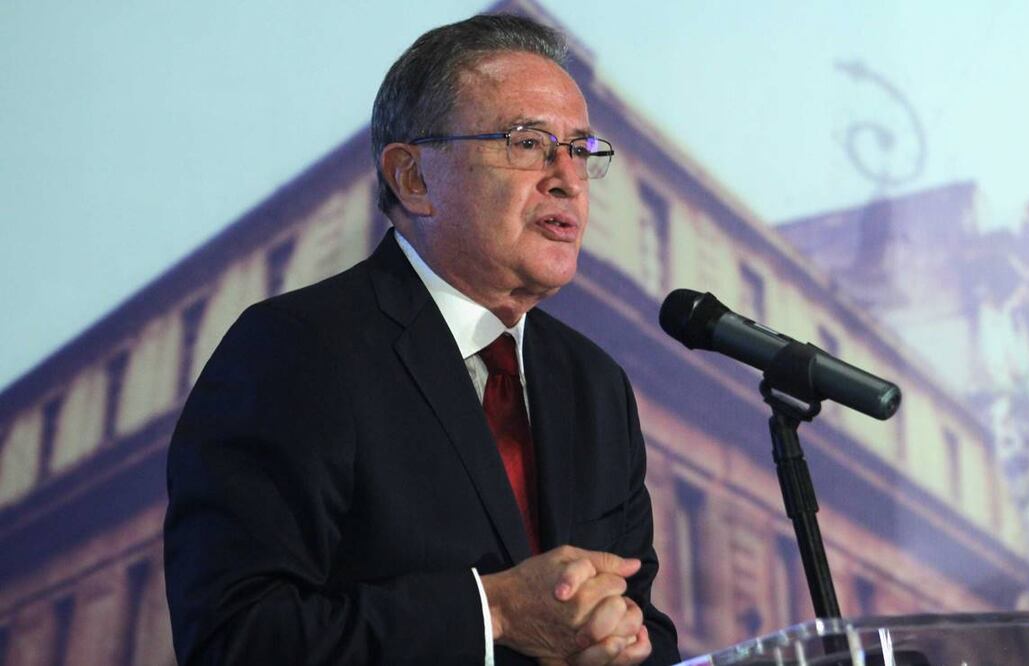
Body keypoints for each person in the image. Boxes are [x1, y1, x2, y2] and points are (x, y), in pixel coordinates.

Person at [164, 13, 680, 666]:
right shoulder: (295, 349)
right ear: (413, 178)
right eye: (527, 143)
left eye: (579, 149)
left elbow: (647, 626)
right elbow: (233, 640)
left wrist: (624, 641)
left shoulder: (594, 383)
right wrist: (490, 611)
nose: (567, 178)